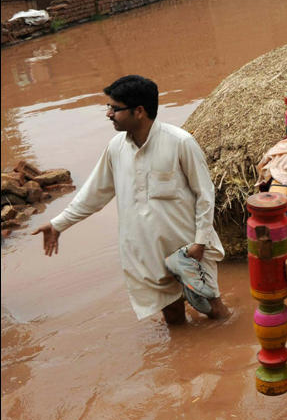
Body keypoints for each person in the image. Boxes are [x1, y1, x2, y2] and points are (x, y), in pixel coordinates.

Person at [32, 75, 228, 325]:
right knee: (173, 318)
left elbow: (205, 193)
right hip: (146, 253)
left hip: (188, 251)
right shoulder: (116, 148)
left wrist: (200, 242)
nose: (108, 114)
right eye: (108, 107)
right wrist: (58, 223)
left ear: (139, 111)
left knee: (216, 312)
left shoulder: (180, 142)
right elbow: (94, 194)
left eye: (115, 108)